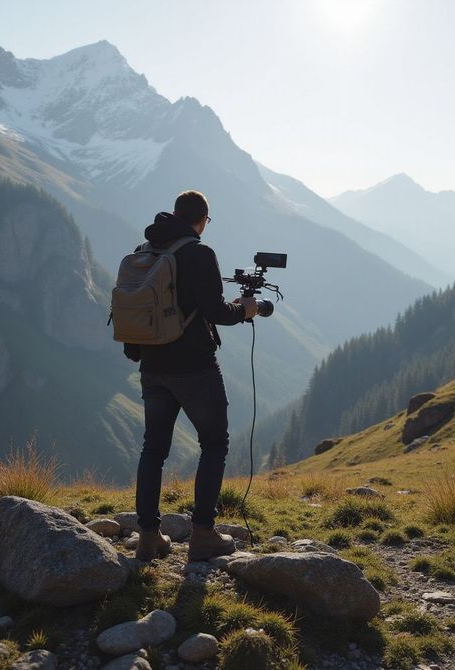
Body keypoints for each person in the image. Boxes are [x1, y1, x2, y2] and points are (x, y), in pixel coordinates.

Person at [124, 190, 257, 562]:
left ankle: (150, 537)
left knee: (154, 449)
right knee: (214, 444)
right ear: (202, 220)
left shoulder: (147, 249)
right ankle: (203, 534)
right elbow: (216, 311)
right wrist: (246, 310)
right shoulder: (199, 253)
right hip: (194, 367)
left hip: (151, 364)